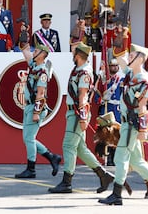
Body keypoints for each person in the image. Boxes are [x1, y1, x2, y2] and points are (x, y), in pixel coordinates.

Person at [99, 29, 148, 205]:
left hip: (132, 125)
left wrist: (142, 129)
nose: (129, 56)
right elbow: (121, 56)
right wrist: (120, 38)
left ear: (140, 58)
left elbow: (142, 106)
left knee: (120, 158)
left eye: (132, 54)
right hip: (126, 123)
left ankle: (117, 194)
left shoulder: (143, 80)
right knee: (137, 160)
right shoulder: (131, 74)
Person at [48, 40, 115, 194]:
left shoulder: (84, 72)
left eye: (74, 52)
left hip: (77, 113)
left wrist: (83, 117)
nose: (72, 54)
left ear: (79, 55)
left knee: (68, 146)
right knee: (80, 148)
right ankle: (103, 175)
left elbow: (83, 96)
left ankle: (67, 182)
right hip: (74, 112)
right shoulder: (78, 69)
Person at [14, 30, 61, 178]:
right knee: (28, 138)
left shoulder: (42, 72)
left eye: (37, 50)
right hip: (28, 106)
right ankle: (52, 157)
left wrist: (36, 112)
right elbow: (25, 51)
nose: (34, 52)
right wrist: (24, 35)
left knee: (28, 138)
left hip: (36, 108)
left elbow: (41, 94)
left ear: (42, 54)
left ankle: (31, 169)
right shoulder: (34, 65)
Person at [93, 57, 125, 165]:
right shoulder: (104, 80)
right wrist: (100, 100)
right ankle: (107, 157)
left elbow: (124, 95)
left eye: (116, 66)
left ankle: (115, 157)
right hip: (106, 107)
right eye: (112, 66)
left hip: (116, 109)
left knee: (116, 133)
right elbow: (97, 93)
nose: (114, 68)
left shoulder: (121, 80)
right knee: (106, 133)